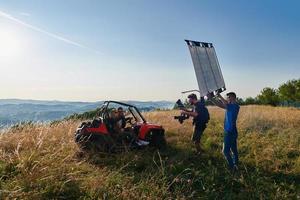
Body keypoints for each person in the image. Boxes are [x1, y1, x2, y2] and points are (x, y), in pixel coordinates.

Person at [208, 92, 240, 171]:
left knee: (225, 151)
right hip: (233, 131)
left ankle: (232, 167)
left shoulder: (234, 106)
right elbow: (219, 104)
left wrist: (218, 95)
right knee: (234, 150)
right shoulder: (231, 106)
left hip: (229, 132)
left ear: (232, 98)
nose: (226, 98)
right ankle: (236, 164)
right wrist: (211, 98)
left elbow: (224, 103)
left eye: (228, 97)